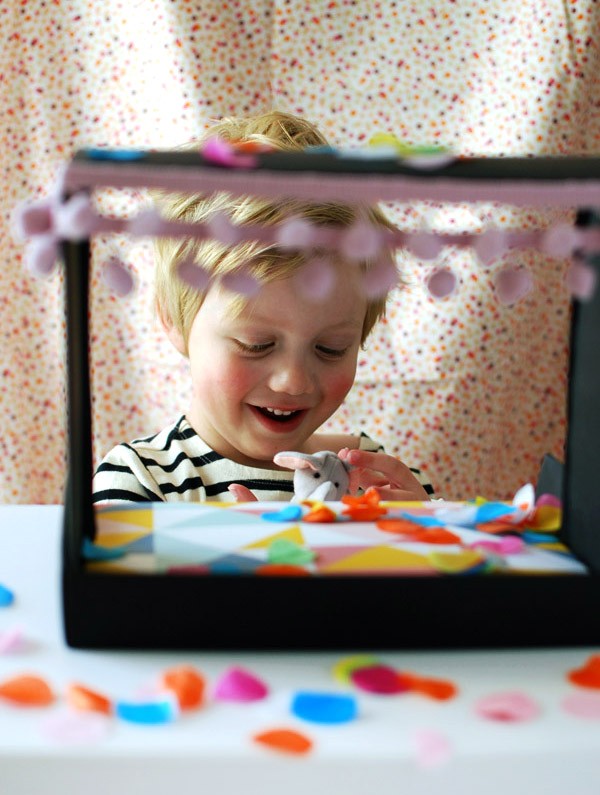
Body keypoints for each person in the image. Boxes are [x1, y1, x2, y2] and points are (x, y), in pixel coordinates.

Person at [92, 110, 433, 504]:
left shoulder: (373, 476)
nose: (293, 381)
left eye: (331, 348)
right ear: (173, 318)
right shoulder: (138, 478)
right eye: (255, 344)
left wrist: (417, 526)